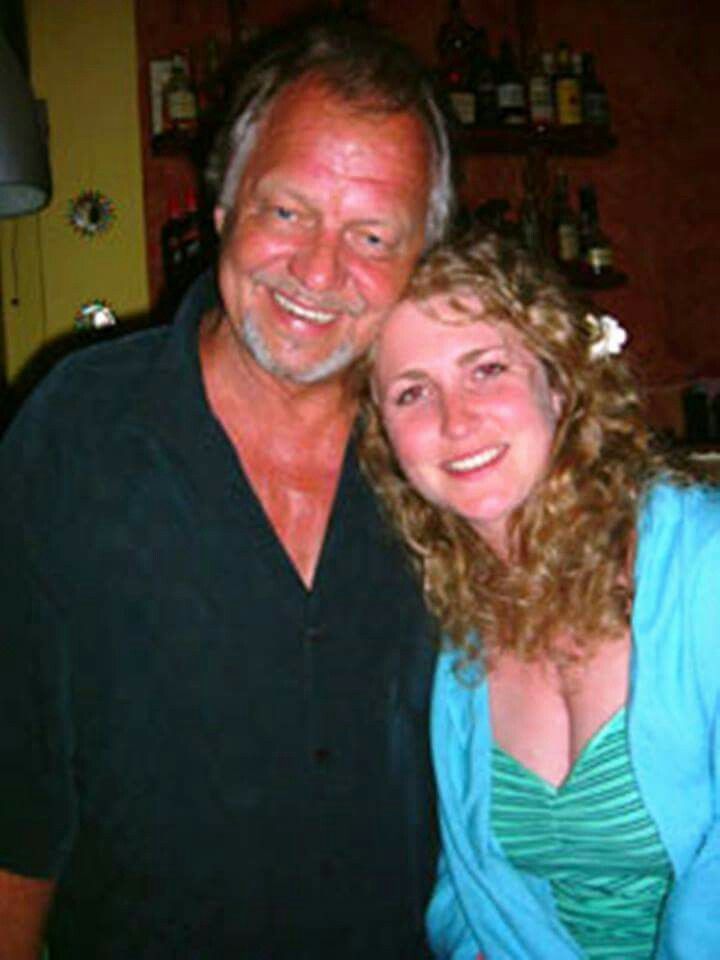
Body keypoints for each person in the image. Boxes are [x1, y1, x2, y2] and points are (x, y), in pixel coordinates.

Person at [0, 16, 455, 958]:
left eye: (372, 235)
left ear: (421, 260)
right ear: (223, 205)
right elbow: (15, 790)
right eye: (287, 212)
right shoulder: (77, 431)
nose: (320, 270)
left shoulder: (455, 453)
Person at [362, 231, 720, 959]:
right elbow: (466, 888)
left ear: (557, 383)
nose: (455, 421)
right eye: (411, 392)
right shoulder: (442, 620)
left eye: (486, 369)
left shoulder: (701, 567)